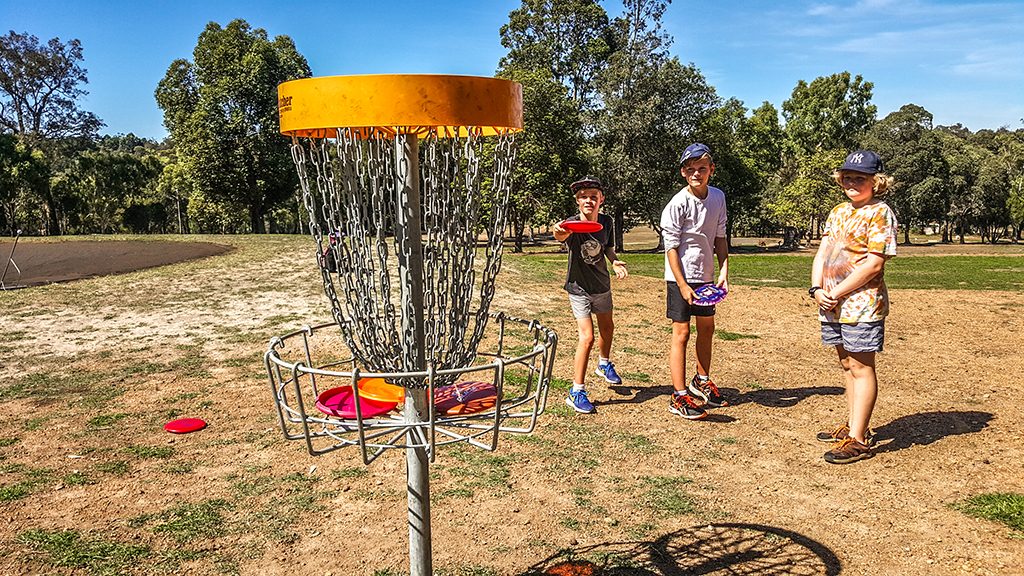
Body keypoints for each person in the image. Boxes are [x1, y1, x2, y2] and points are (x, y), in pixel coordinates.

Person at [810, 150, 897, 464]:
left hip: (862, 305)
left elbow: (874, 265)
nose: (852, 182)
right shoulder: (839, 211)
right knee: (847, 365)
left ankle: (858, 440)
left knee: (861, 368)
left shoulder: (880, 212)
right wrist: (817, 288)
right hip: (832, 304)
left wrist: (837, 291)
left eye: (860, 178)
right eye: (847, 176)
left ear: (876, 181)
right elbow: (823, 252)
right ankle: (854, 426)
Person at [661, 143, 730, 421]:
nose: (696, 173)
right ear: (683, 172)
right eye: (690, 169)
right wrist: (682, 285)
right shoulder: (677, 204)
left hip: (706, 277)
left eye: (702, 168)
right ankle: (678, 396)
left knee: (707, 328)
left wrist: (724, 269)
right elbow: (671, 249)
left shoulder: (718, 197)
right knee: (682, 333)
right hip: (680, 277)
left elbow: (720, 237)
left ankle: (701, 380)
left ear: (711, 170)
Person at [552, 176, 628, 414]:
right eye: (583, 197)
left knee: (608, 328)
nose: (588, 200)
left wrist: (615, 263)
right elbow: (560, 235)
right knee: (587, 338)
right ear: (577, 201)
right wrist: (558, 230)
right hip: (579, 289)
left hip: (602, 286)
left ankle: (604, 364)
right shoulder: (572, 224)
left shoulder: (607, 221)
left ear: (601, 200)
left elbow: (607, 248)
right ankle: (576, 391)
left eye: (593, 197)